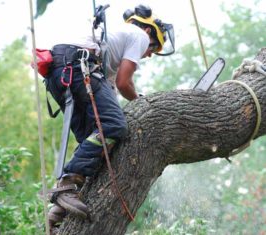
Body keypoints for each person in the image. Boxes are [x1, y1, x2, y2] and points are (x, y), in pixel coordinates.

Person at [45, 4, 175, 229]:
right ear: (148, 32)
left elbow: (112, 91)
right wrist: (142, 103)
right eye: (152, 48)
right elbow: (125, 83)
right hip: (77, 66)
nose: (148, 54)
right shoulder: (138, 36)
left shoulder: (110, 47)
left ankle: (61, 208)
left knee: (95, 141)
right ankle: (67, 183)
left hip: (60, 70)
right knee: (115, 126)